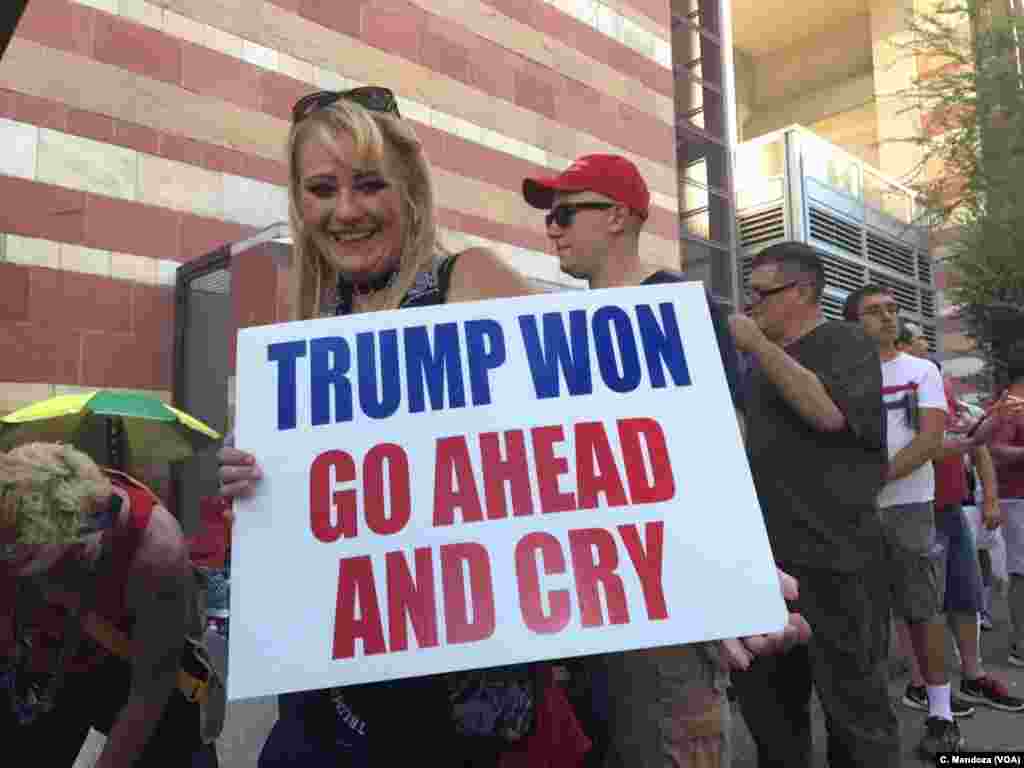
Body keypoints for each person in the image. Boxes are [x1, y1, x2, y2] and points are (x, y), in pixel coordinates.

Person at [216, 85, 567, 767]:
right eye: (321, 188)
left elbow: (582, 453)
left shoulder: (468, 282)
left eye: (369, 184)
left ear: (408, 188)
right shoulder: (313, 330)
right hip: (330, 695)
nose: (344, 211)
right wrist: (255, 485)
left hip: (453, 707)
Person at [521, 155, 811, 767]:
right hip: (589, 588)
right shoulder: (560, 324)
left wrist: (722, 574)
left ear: (620, 217)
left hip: (671, 592)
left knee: (676, 744)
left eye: (566, 212)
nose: (552, 227)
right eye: (551, 216)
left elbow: (723, 447)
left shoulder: (684, 306)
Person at [730, 243, 900, 767]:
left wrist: (757, 344)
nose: (751, 304)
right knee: (772, 717)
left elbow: (827, 413)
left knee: (857, 712)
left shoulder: (845, 342)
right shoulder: (757, 365)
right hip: (770, 566)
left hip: (838, 561)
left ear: (802, 291)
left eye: (762, 293)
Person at [0, 442, 218, 768]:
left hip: (134, 666)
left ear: (80, 536)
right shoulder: (15, 515)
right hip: (49, 660)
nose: (11, 562)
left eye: (22, 555)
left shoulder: (156, 550)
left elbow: (148, 693)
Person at [845, 285, 966, 755]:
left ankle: (941, 714)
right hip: (853, 513)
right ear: (853, 321)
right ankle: (876, 720)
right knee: (864, 618)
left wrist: (869, 481)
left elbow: (931, 438)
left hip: (908, 506)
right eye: (874, 312)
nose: (887, 318)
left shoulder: (921, 370)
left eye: (893, 310)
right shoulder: (845, 374)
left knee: (922, 611)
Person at [990, 343, 1024, 667]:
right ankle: (1019, 646)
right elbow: (995, 450)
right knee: (1022, 572)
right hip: (1016, 499)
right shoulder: (1011, 405)